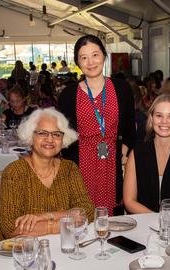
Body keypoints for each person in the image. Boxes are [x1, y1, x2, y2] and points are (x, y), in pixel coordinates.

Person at [58, 35, 136, 215]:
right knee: (82, 214)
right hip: (81, 162)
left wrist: (122, 152)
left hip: (113, 160)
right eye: (83, 57)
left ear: (104, 56)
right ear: (77, 62)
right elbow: (64, 137)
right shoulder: (68, 95)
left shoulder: (121, 88)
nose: (90, 62)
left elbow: (130, 127)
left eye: (95, 55)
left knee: (113, 214)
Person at [0, 108, 94, 243]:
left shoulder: (69, 169)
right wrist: (57, 225)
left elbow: (87, 212)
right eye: (42, 133)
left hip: (61, 246)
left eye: (56, 134)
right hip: (18, 252)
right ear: (30, 136)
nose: (50, 139)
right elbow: (11, 228)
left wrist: (44, 216)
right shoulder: (15, 172)